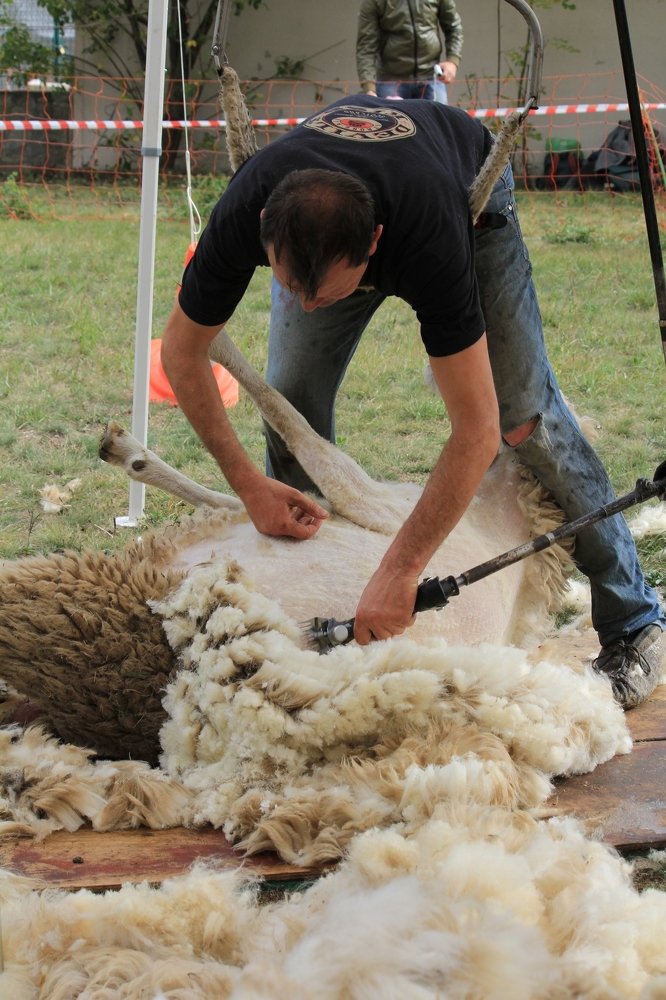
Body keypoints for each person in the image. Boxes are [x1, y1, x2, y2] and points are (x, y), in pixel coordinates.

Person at [161, 94, 664, 709]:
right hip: (337, 220)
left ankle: (635, 620)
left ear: (374, 244)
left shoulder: (431, 238)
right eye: (291, 286)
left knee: (524, 417)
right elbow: (183, 353)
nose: (309, 305)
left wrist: (403, 573)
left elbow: (474, 431)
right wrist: (247, 485)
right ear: (266, 232)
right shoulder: (246, 207)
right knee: (290, 396)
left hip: (463, 190)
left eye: (327, 292)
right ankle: (308, 582)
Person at [356, 0, 463, 103]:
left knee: (438, 121)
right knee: (393, 121)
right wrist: (369, 88)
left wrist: (452, 61)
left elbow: (453, 27)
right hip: (391, 80)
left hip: (432, 77)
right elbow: (366, 45)